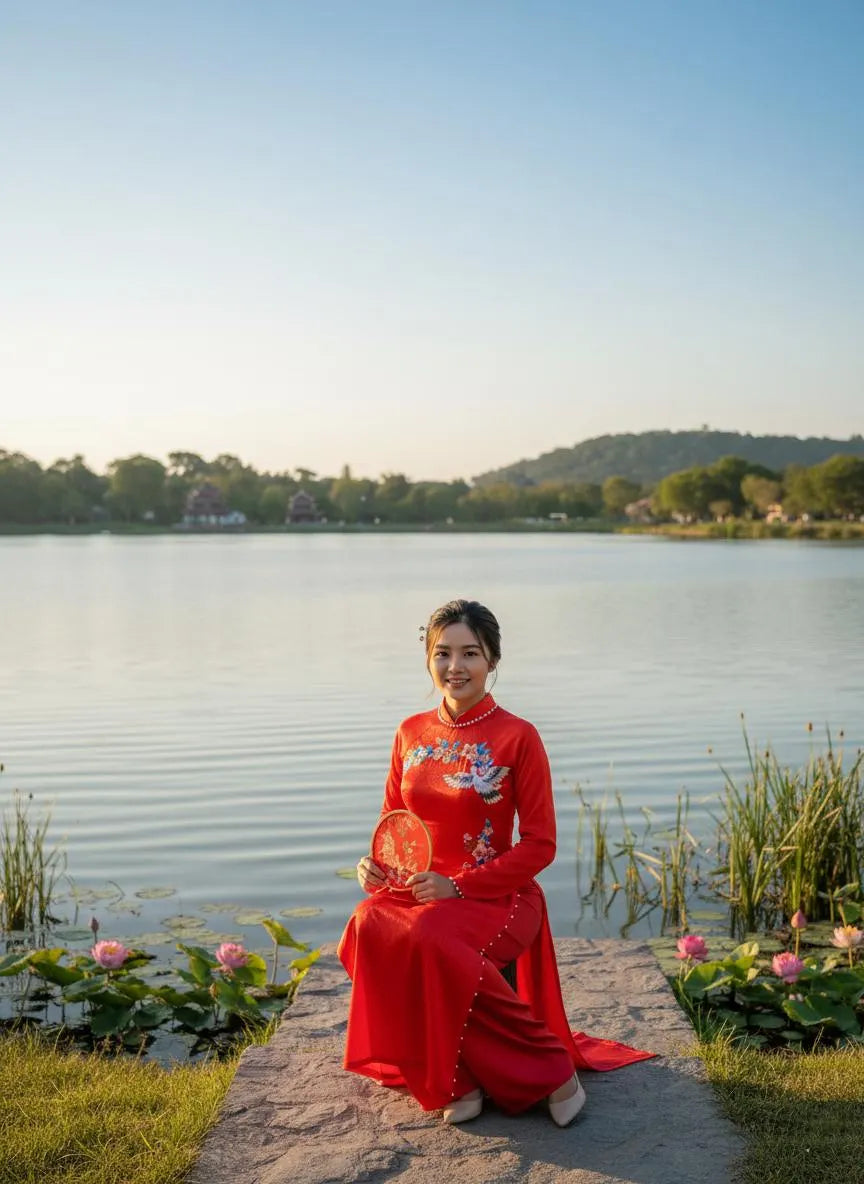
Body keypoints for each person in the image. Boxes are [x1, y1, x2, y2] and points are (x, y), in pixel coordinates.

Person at [338, 599, 652, 1126]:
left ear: (492, 661)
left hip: (497, 894)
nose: (455, 667)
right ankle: (456, 1080)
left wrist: (459, 887)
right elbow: (392, 824)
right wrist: (372, 866)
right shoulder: (409, 732)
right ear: (428, 658)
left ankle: (551, 1069)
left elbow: (539, 845)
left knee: (432, 938)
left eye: (470, 654)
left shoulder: (517, 736)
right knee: (367, 924)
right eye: (443, 653)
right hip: (419, 890)